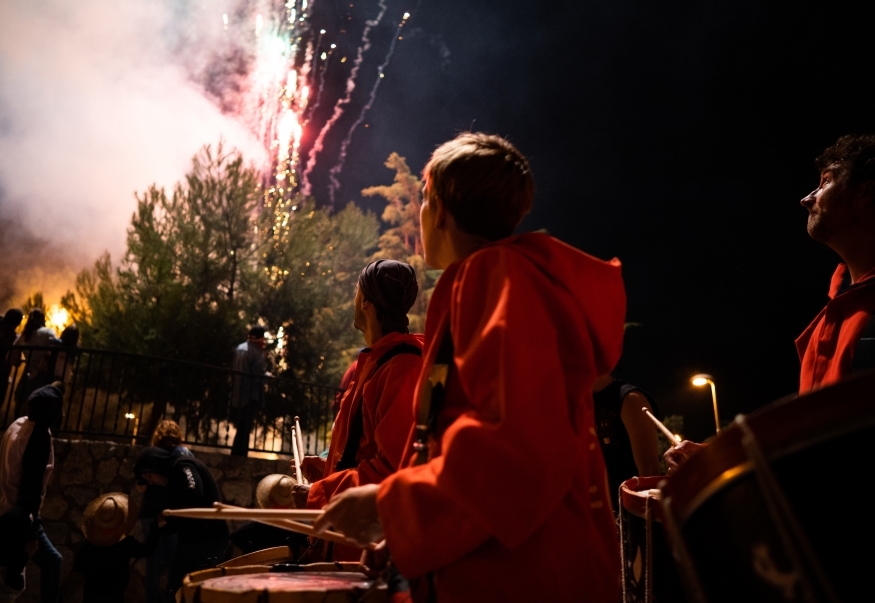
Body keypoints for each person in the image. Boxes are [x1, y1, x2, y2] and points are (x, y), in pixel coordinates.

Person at [314, 133, 625, 602]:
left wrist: (390, 507)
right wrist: (403, 541)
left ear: (438, 207)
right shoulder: (510, 280)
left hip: (522, 578)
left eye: (423, 200)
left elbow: (513, 450)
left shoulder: (495, 278)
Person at [666, 134, 875, 473]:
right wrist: (718, 456)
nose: (807, 199)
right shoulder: (833, 314)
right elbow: (810, 432)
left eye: (825, 183)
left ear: (865, 194)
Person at [291, 259, 423, 561]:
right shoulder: (378, 363)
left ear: (365, 302)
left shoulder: (403, 368)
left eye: (356, 291)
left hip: (365, 551)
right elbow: (362, 450)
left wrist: (320, 493)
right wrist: (326, 468)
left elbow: (393, 471)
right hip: (345, 540)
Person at [0, 382, 64, 603]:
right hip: (17, 519)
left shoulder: (18, 424)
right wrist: (32, 531)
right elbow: (31, 487)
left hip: (0, 511)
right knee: (3, 588)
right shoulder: (38, 436)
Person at [134, 446, 228, 599]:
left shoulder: (183, 465)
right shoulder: (173, 477)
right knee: (179, 590)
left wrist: (167, 517)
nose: (150, 481)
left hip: (206, 539)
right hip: (193, 540)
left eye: (149, 475)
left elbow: (193, 493)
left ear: (156, 465)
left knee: (182, 590)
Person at [592, 371, 661, 509]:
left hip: (627, 517)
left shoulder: (630, 399)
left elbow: (649, 473)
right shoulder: (579, 403)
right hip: (598, 514)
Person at [142, 420, 194, 603]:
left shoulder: (152, 455)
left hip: (151, 513)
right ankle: (173, 598)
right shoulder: (184, 454)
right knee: (174, 562)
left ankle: (152, 600)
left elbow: (141, 487)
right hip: (174, 514)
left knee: (153, 563)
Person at [71, 493, 152, 603]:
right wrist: (155, 530)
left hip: (91, 596)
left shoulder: (88, 544)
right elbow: (147, 550)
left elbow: (78, 569)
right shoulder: (125, 543)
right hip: (115, 596)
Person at [230, 326, 268, 457]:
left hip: (238, 392)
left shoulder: (240, 349)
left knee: (241, 427)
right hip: (250, 394)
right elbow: (258, 374)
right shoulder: (256, 352)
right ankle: (240, 455)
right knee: (245, 428)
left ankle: (236, 453)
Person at [13, 308, 59, 403]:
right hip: (44, 376)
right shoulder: (48, 332)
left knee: (22, 404)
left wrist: (20, 361)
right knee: (39, 407)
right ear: (43, 319)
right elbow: (52, 353)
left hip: (27, 376)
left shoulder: (23, 336)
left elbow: (11, 356)